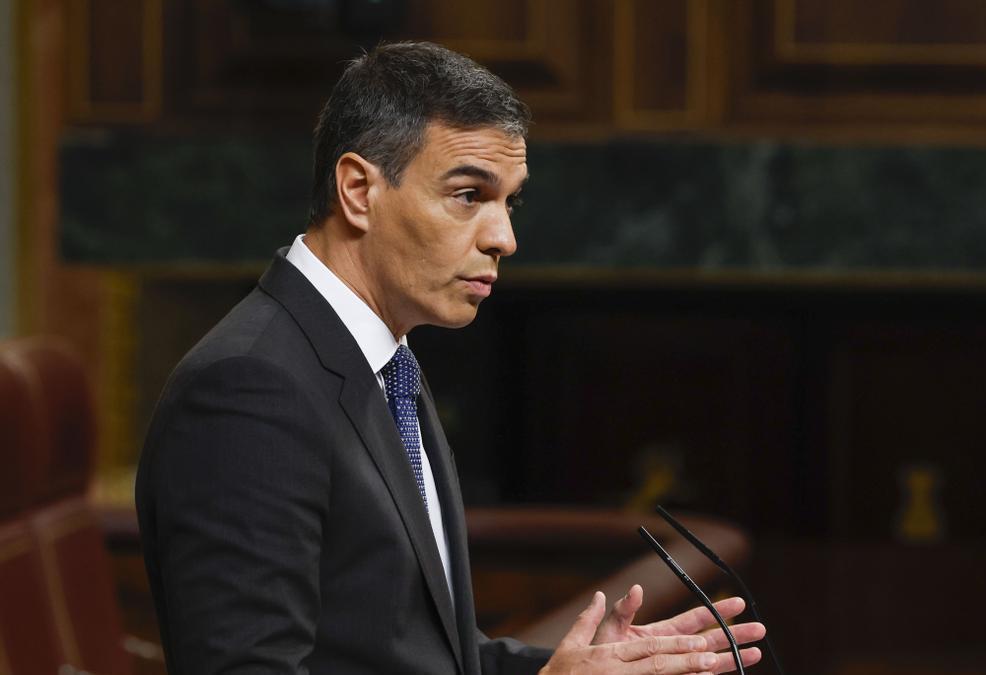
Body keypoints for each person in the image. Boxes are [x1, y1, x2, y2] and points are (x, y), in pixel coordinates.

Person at [135, 41, 765, 674]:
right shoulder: (248, 389)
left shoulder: (388, 363)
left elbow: (427, 658)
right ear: (358, 190)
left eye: (509, 202)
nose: (504, 238)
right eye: (468, 195)